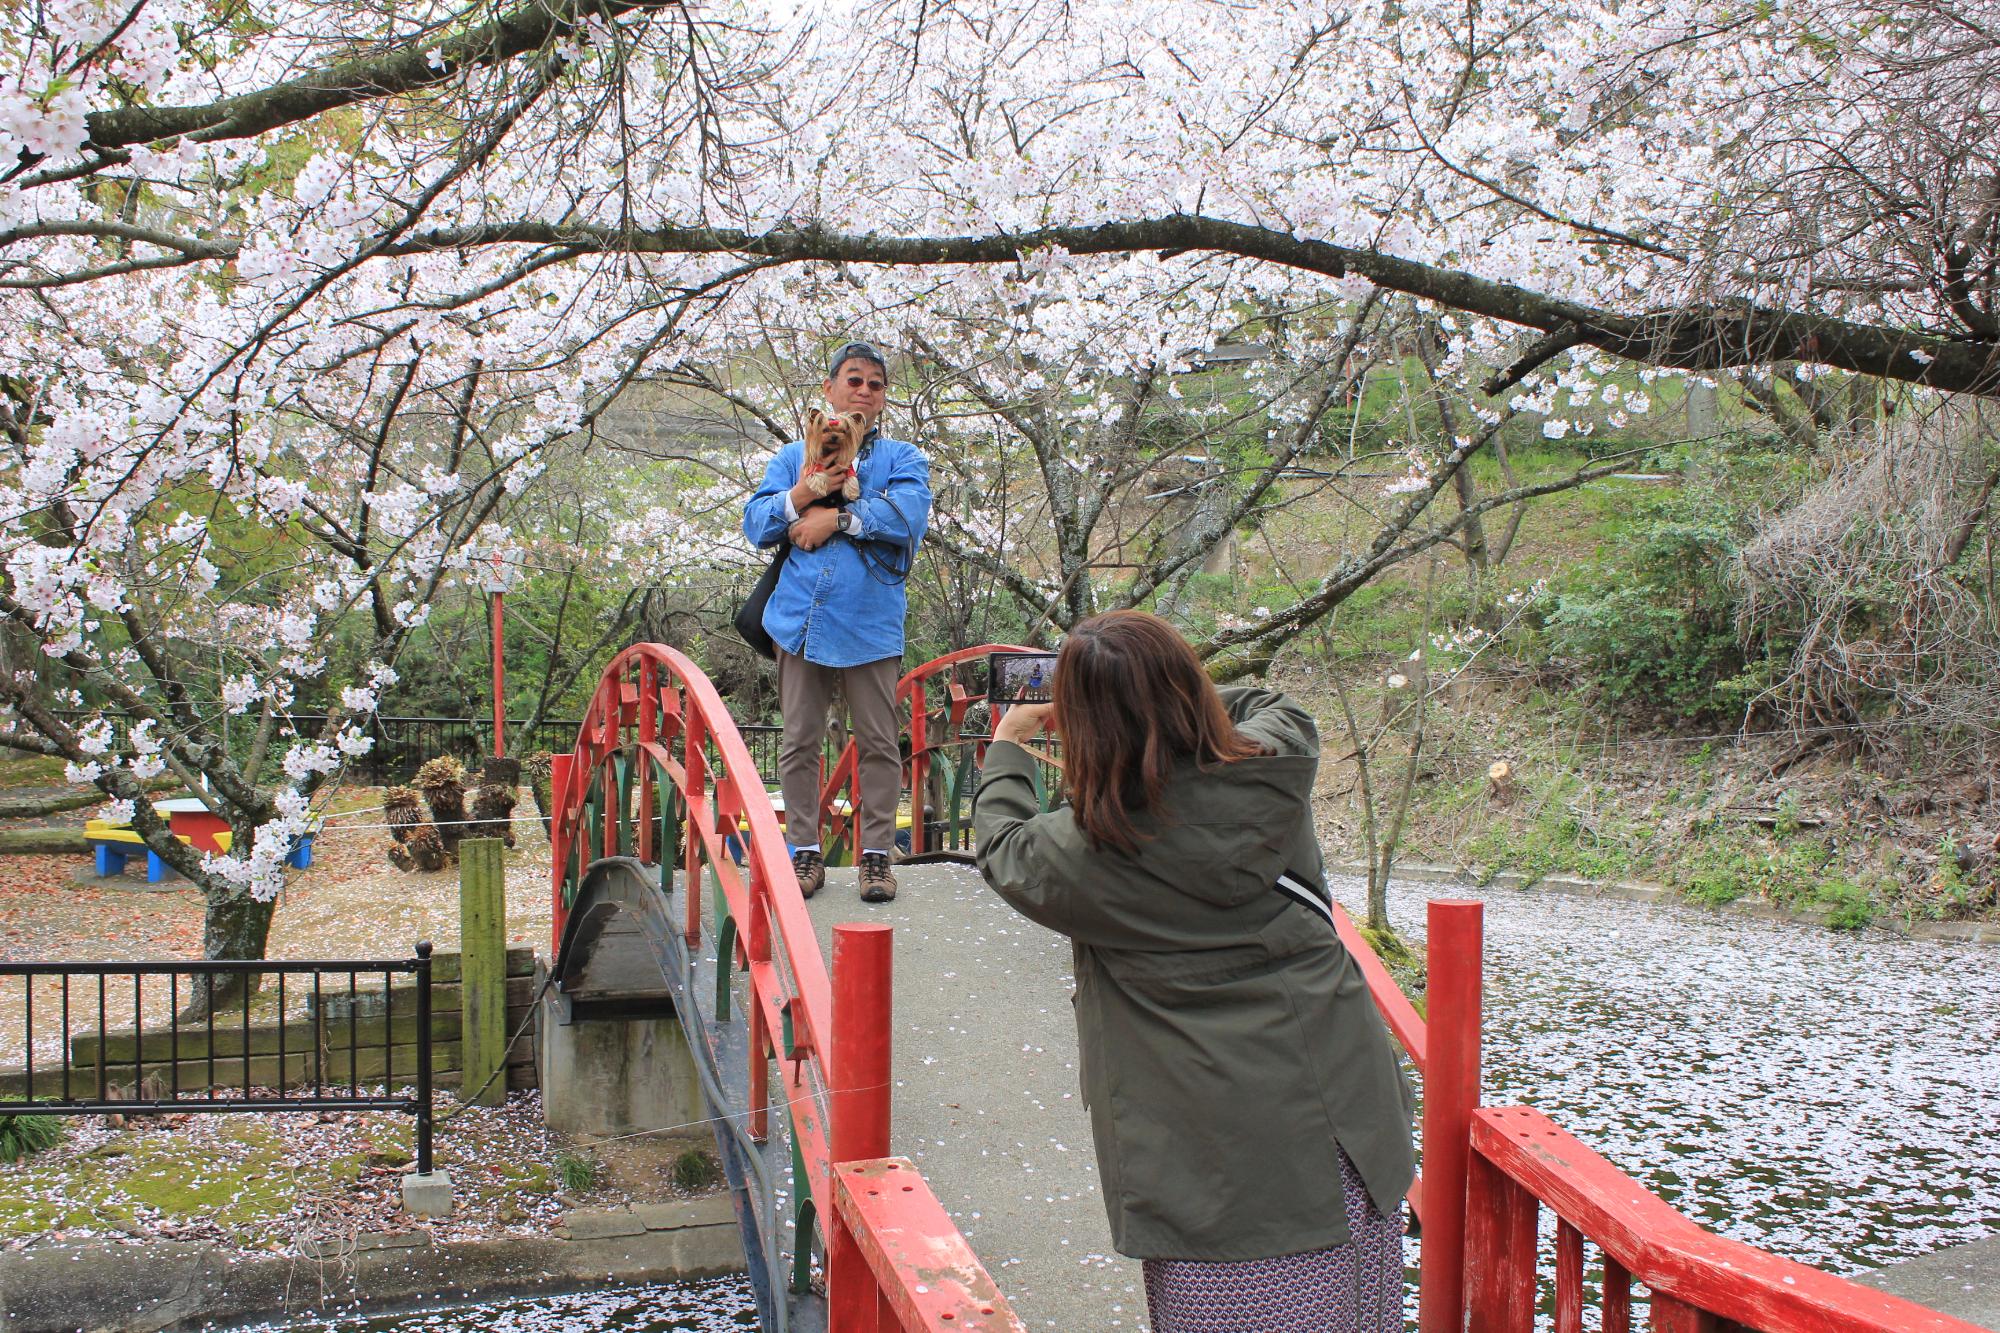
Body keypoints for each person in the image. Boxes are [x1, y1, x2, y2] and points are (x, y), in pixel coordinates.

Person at [971, 610, 1415, 1333]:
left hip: (1212, 1170)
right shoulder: (1272, 763)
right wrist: (1173, 700)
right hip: (1341, 1123)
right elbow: (1271, 703)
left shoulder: (1089, 850)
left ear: (1087, 727)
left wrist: (1011, 742)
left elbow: (1003, 847)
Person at [742, 342, 932, 903]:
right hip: (800, 620)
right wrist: (804, 495)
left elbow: (907, 517)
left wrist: (837, 519)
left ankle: (876, 856)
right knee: (799, 741)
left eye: (876, 383)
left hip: (871, 625)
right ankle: (804, 852)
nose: (866, 390)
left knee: (878, 742)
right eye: (855, 380)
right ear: (829, 388)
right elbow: (756, 523)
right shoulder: (789, 457)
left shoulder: (902, 458)